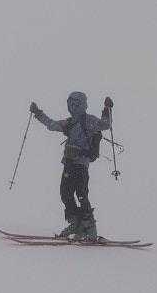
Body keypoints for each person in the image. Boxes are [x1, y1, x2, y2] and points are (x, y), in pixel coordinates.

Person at [29, 92, 113, 240]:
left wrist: (107, 109)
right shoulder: (69, 122)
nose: (72, 107)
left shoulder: (89, 121)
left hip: (81, 164)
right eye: (71, 104)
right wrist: (38, 113)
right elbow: (52, 125)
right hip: (69, 163)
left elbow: (106, 125)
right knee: (65, 193)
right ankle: (77, 223)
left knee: (81, 194)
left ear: (81, 105)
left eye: (75, 104)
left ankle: (89, 227)